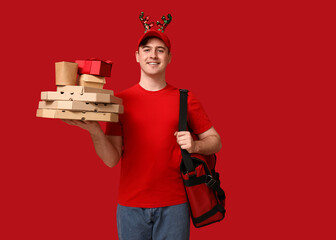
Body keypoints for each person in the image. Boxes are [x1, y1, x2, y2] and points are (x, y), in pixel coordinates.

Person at [62, 14, 222, 240]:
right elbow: (111, 160)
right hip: (130, 208)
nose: (153, 55)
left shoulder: (186, 99)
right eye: (146, 49)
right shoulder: (119, 101)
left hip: (175, 205)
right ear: (137, 56)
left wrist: (195, 144)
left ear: (169, 57)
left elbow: (216, 141)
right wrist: (95, 131)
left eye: (160, 50)